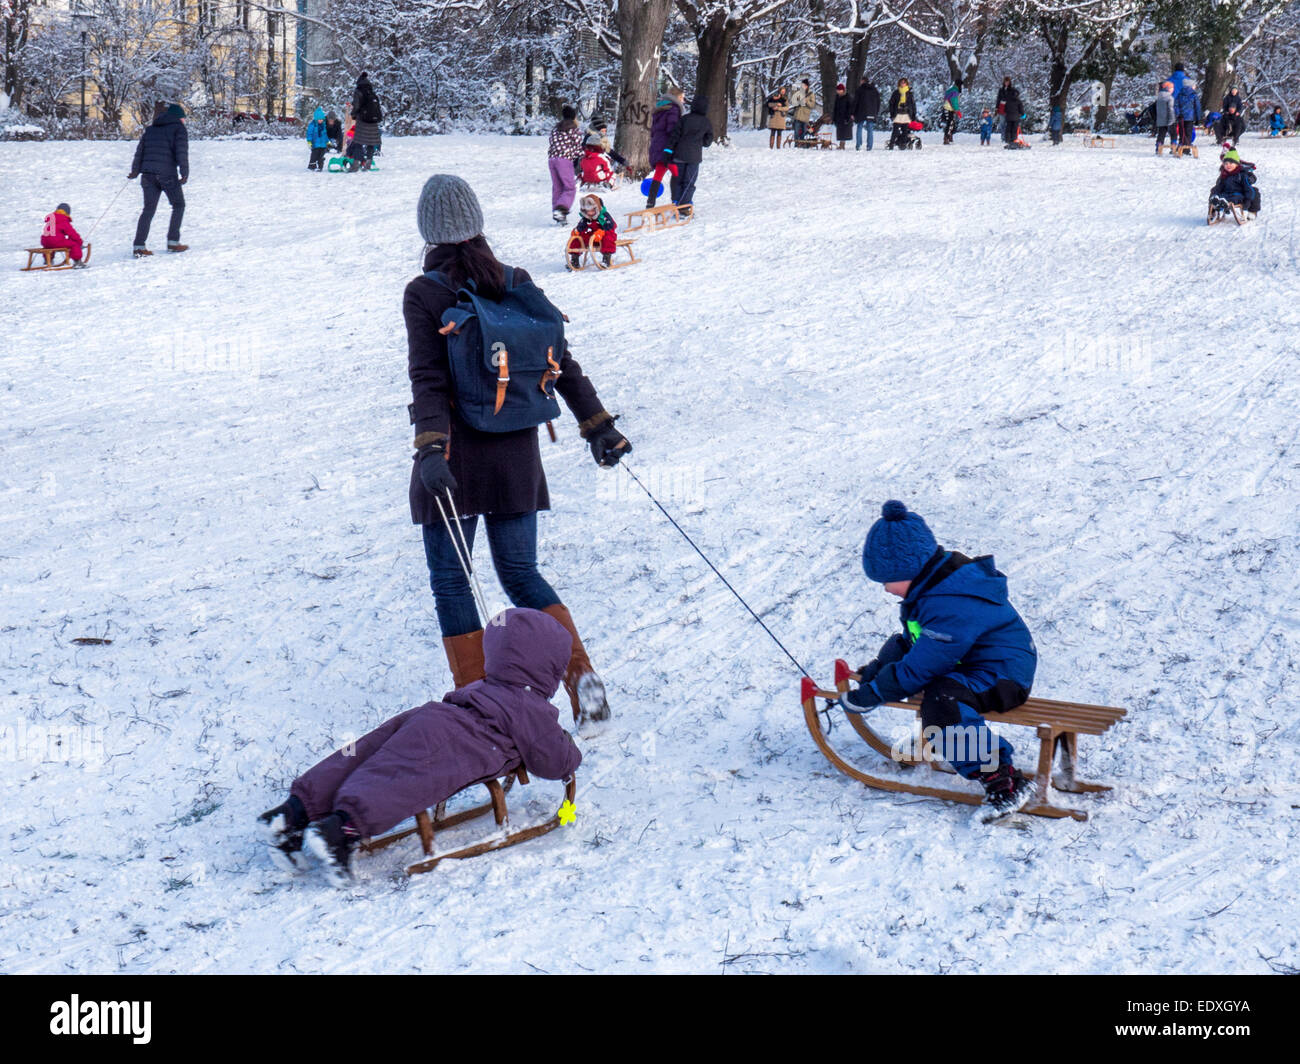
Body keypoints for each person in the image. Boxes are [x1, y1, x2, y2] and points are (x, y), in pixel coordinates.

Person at [404, 175, 631, 723]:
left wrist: (431, 448)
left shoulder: (426, 292)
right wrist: (597, 425)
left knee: (453, 580)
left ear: (428, 231)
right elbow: (563, 363)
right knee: (522, 573)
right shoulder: (514, 280)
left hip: (454, 458)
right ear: (477, 224)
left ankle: (482, 714)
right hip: (515, 457)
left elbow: (427, 379)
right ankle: (583, 678)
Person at [257, 607, 582, 886]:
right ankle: (339, 832)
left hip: (430, 715)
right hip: (462, 742)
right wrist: (569, 750)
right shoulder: (531, 708)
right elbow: (553, 760)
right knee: (402, 776)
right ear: (547, 667)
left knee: (366, 753)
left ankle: (294, 812)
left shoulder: (484, 683)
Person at [836, 501, 1038, 822]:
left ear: (910, 571)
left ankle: (1004, 780)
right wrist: (874, 675)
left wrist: (872, 695)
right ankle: (988, 768)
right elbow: (911, 644)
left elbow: (922, 666)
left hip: (1003, 673)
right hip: (969, 666)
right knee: (936, 691)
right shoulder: (931, 590)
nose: (886, 589)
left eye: (888, 580)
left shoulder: (951, 603)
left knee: (941, 705)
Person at [128, 102, 189, 257]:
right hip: (167, 174)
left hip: (147, 175)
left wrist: (135, 171)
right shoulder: (179, 129)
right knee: (178, 204)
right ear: (178, 117)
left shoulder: (150, 130)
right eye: (183, 118)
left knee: (148, 210)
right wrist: (184, 172)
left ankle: (139, 246)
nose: (184, 121)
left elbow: (139, 152)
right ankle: (173, 242)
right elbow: (181, 152)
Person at [664, 95, 713, 218]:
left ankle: (675, 202)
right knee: (689, 182)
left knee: (677, 179)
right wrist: (699, 142)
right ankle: (684, 207)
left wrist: (668, 151)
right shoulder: (706, 122)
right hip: (694, 157)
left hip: (679, 154)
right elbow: (707, 142)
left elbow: (674, 136)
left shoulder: (684, 119)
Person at [645, 88, 684, 207]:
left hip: (657, 146)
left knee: (659, 174)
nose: (683, 100)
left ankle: (650, 203)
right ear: (676, 97)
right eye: (682, 98)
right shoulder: (674, 109)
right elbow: (672, 129)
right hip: (668, 147)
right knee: (677, 174)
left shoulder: (659, 109)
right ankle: (675, 200)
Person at [547, 105, 585, 224]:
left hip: (552, 159)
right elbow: (578, 147)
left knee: (558, 187)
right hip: (564, 160)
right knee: (570, 187)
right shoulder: (573, 129)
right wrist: (582, 155)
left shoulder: (555, 129)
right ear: (573, 117)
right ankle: (561, 210)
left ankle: (557, 213)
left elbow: (552, 142)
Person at [568, 193, 618, 269]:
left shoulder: (604, 215)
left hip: (604, 234)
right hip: (593, 237)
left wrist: (602, 231)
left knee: (608, 237)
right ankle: (574, 260)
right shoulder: (586, 218)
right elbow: (581, 226)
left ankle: (606, 259)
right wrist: (577, 231)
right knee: (578, 238)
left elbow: (611, 225)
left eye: (592, 211)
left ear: (596, 208)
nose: (590, 213)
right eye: (587, 211)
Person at [1210, 149, 1260, 217]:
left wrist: (1248, 200)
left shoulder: (1242, 175)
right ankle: (1214, 209)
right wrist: (1214, 193)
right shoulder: (1224, 175)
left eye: (1231, 163)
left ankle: (1224, 204)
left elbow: (1248, 189)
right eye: (1226, 163)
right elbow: (1219, 187)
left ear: (1237, 164)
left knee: (1235, 197)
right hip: (1226, 195)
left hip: (1239, 195)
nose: (1228, 165)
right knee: (1215, 194)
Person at [350, 73, 383, 170]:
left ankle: (356, 163)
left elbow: (356, 105)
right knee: (370, 142)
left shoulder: (358, 91)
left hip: (363, 120)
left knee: (358, 142)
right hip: (373, 121)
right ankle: (368, 161)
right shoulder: (371, 92)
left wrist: (353, 115)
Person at [40, 202, 87, 268]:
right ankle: (77, 261)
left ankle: (48, 260)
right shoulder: (63, 219)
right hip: (55, 241)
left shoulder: (51, 218)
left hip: (45, 241)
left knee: (50, 245)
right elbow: (72, 233)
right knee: (74, 245)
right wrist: (79, 243)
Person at [887, 78, 916, 150]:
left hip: (906, 113)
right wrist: (892, 114)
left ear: (906, 84)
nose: (903, 84)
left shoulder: (909, 94)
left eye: (904, 83)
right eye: (901, 82)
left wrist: (913, 115)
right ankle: (892, 144)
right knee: (895, 129)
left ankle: (903, 144)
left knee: (905, 130)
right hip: (898, 113)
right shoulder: (896, 93)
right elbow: (891, 104)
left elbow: (912, 105)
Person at [852, 75, 880, 151]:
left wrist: (853, 112)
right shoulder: (874, 90)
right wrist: (876, 112)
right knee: (870, 129)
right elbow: (878, 102)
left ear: (862, 81)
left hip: (861, 112)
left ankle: (858, 145)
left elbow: (855, 102)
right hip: (871, 112)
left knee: (859, 127)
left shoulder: (859, 90)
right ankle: (869, 146)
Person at [1175, 78, 1201, 152]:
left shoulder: (1179, 94)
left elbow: (1176, 105)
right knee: (1188, 133)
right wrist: (1198, 118)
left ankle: (1181, 145)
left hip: (1181, 117)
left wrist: (1178, 114)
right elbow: (1197, 107)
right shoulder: (1194, 95)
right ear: (1191, 86)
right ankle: (1186, 149)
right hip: (1190, 117)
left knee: (1181, 132)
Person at [790, 78, 816, 142]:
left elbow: (812, 105)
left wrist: (806, 101)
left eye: (804, 85)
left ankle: (802, 144)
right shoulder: (798, 93)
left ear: (807, 86)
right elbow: (793, 102)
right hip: (798, 115)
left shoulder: (811, 94)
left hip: (805, 116)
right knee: (796, 132)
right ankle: (796, 145)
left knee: (803, 132)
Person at [1000, 81, 1024, 147]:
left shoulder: (1007, 100)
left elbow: (1004, 109)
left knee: (1008, 127)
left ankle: (1008, 139)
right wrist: (1023, 114)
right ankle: (1014, 139)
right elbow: (1021, 109)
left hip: (1008, 117)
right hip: (1016, 117)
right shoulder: (1018, 101)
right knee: (1014, 128)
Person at [1154, 81, 1176, 154]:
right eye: (1172, 88)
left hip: (1160, 119)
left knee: (1161, 134)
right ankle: (1173, 147)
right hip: (1169, 119)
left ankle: (1158, 148)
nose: (1173, 89)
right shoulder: (1170, 97)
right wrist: (1172, 119)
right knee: (1173, 134)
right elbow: (1171, 109)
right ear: (1168, 88)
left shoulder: (1159, 97)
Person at [305, 107, 329, 171]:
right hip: (315, 144)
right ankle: (312, 166)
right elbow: (309, 134)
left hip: (323, 145)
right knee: (314, 156)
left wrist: (327, 141)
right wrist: (309, 141)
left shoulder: (323, 126)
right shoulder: (312, 125)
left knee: (321, 157)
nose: (321, 120)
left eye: (322, 119)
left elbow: (325, 135)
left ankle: (320, 167)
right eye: (319, 119)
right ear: (316, 119)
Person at [832, 83, 853, 149]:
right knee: (840, 132)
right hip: (839, 117)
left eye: (838, 90)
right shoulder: (837, 97)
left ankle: (842, 145)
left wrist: (848, 117)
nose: (837, 91)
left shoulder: (847, 97)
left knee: (844, 132)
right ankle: (841, 144)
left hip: (845, 116)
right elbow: (835, 107)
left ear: (842, 90)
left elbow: (850, 108)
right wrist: (834, 117)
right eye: (837, 90)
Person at [942, 79, 962, 144]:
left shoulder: (950, 90)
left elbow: (945, 98)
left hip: (947, 108)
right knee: (950, 123)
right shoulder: (955, 91)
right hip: (949, 108)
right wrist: (957, 110)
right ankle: (946, 138)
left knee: (951, 123)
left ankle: (949, 136)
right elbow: (954, 101)